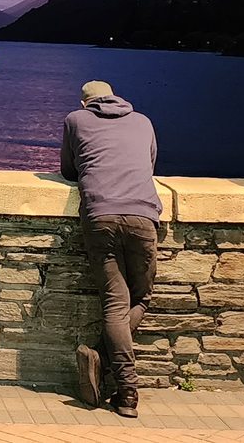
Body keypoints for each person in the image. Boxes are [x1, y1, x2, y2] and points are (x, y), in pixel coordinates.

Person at [59, 79, 160, 417]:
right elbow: (149, 164)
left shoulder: (76, 119)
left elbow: (68, 170)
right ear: (116, 96)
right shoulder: (143, 121)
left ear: (85, 103)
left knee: (115, 305)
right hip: (143, 215)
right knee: (141, 298)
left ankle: (122, 383)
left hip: (100, 215)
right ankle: (118, 381)